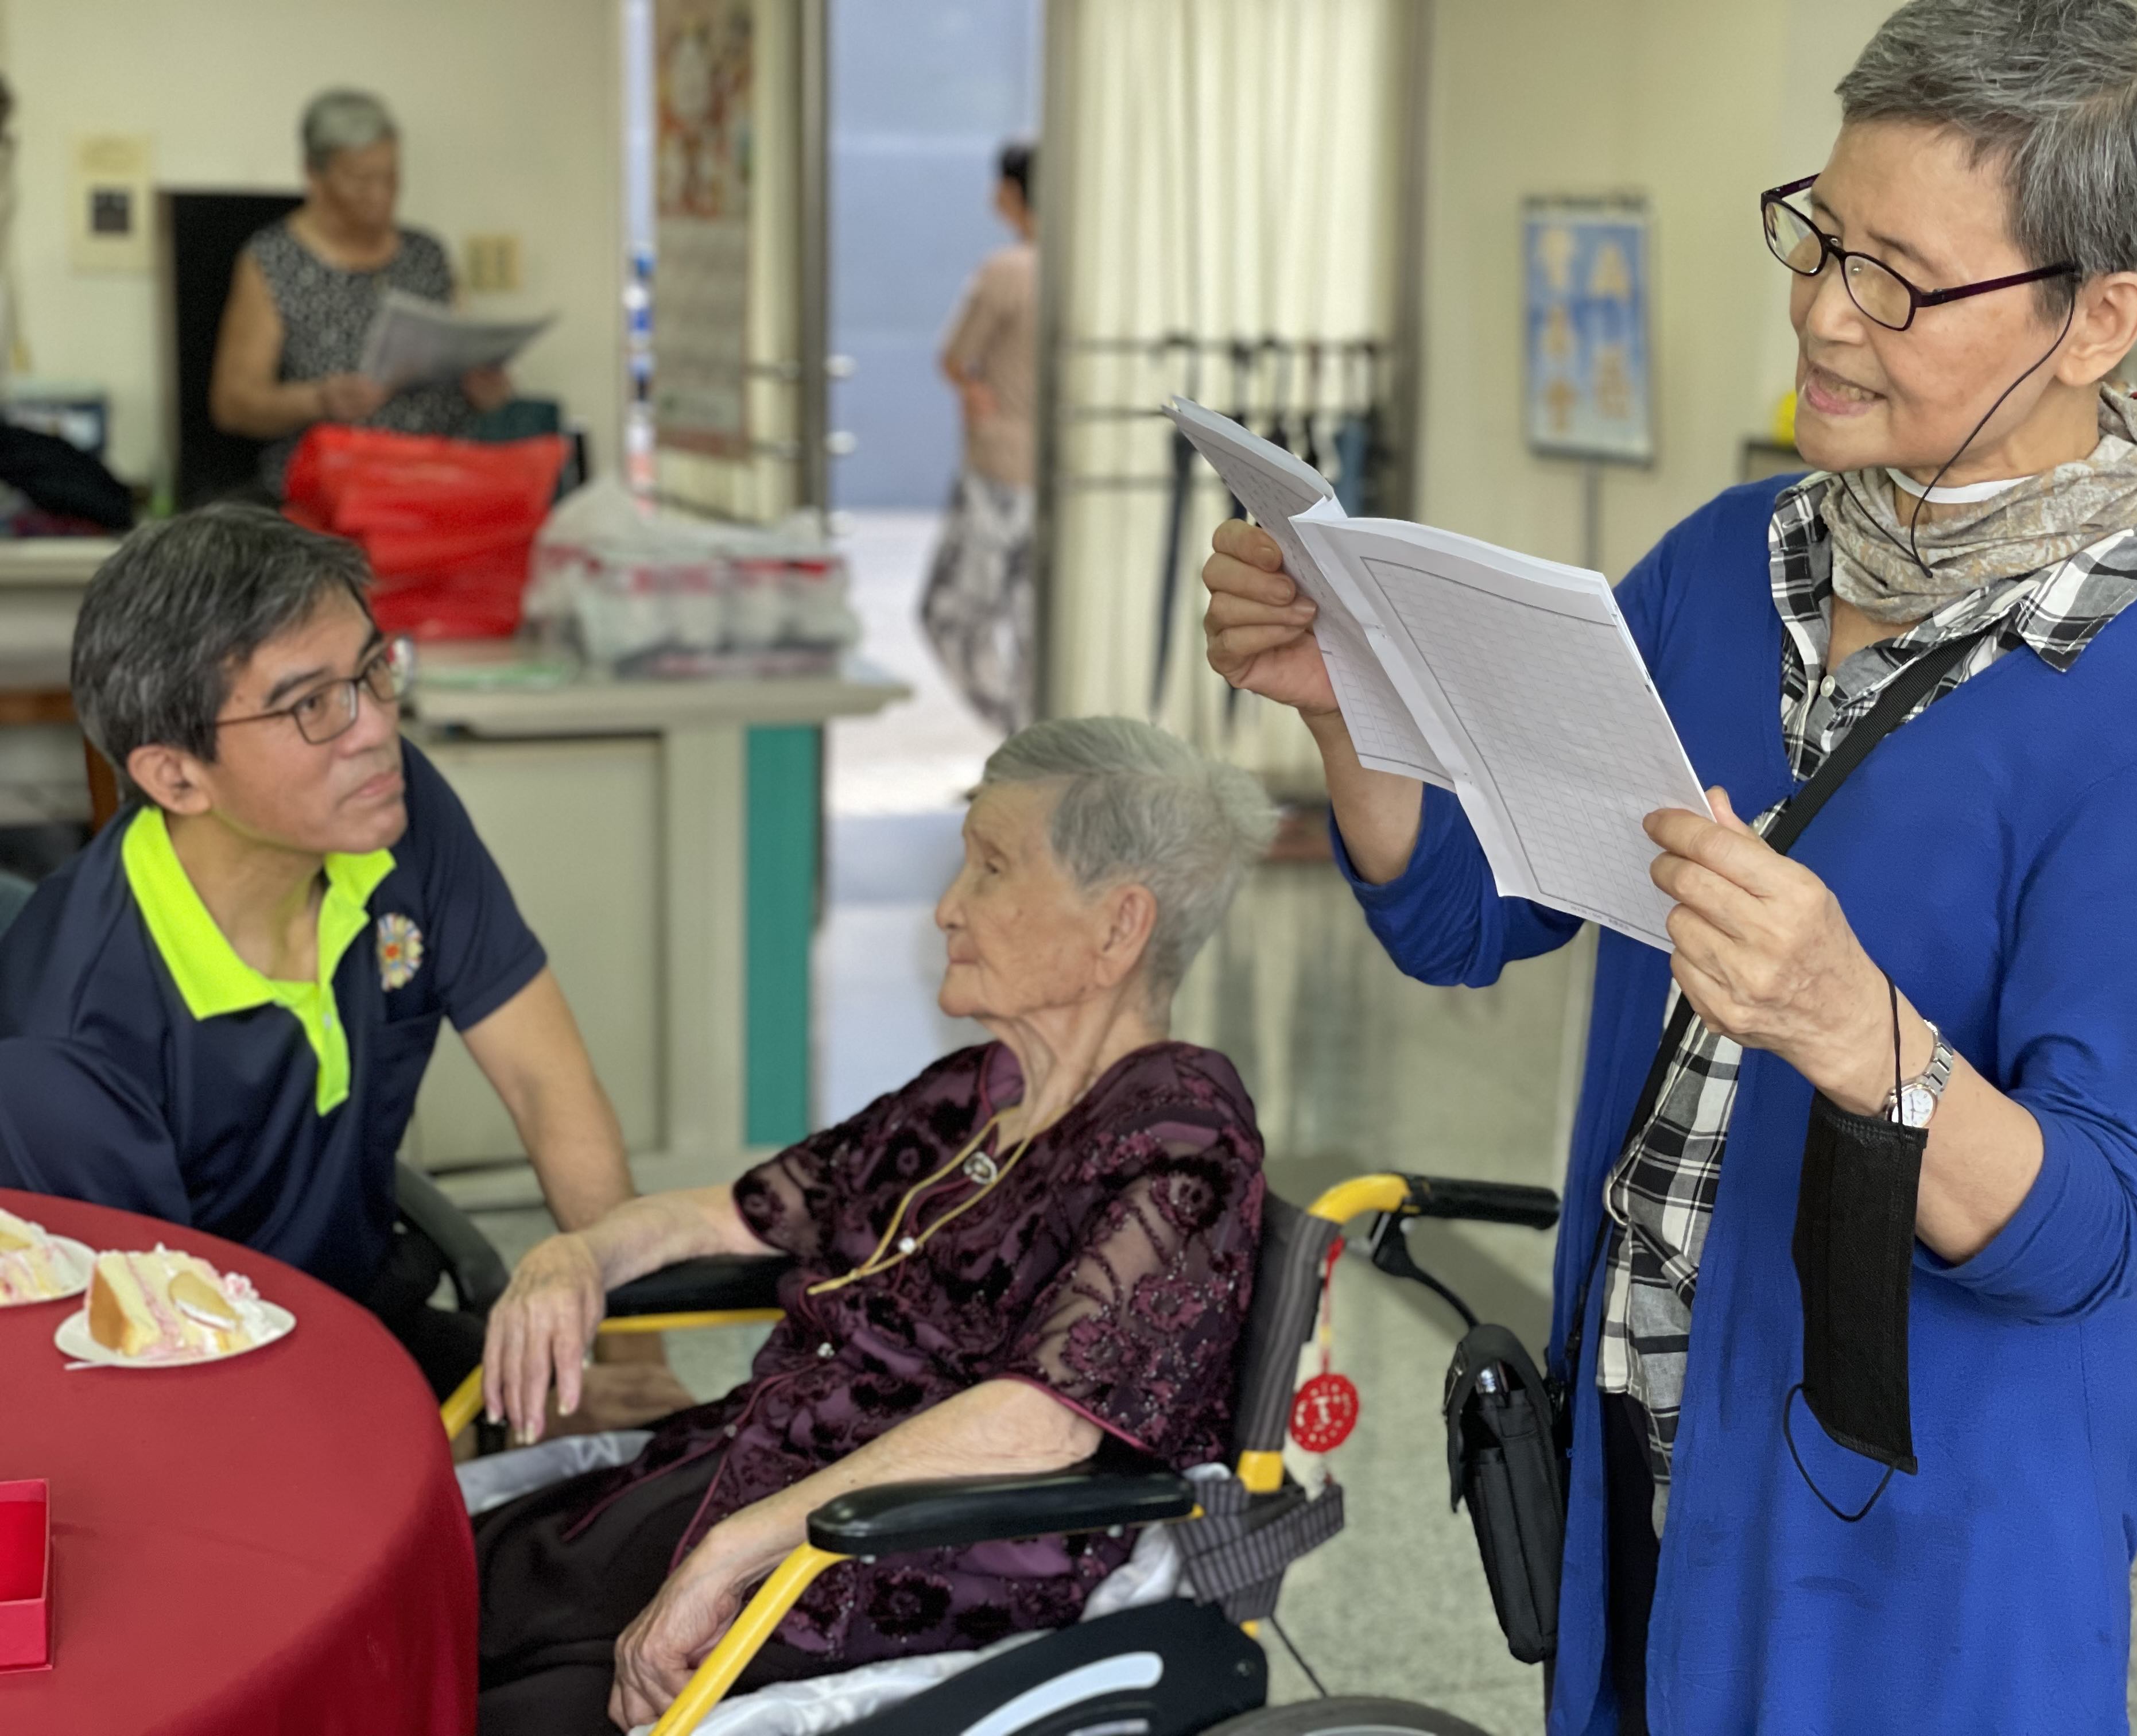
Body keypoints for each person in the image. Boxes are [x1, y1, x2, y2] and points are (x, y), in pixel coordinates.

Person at [1201, 3, 2137, 1731]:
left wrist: (1868, 1039)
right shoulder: (1731, 563)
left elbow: (2096, 1226)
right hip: (1640, 1454)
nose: (1824, 313)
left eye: (1901, 281)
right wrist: (1353, 711)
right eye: (1821, 236)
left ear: (2101, 318)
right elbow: (1468, 910)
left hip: (1915, 1538)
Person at [470, 716, 1274, 1734]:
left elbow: (1043, 1417)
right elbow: (731, 1211)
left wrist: (743, 1544)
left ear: (1119, 926)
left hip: (894, 1563)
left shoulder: (1181, 1131)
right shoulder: (970, 1093)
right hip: (741, 1480)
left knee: (508, 1708)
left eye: (990, 867)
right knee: (435, 1591)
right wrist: (573, 1252)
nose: (946, 907)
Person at [0, 506, 680, 1419]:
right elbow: (150, 1382)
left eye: (372, 669)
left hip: (366, 1319)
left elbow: (543, 1081)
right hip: (212, 1396)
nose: (371, 729)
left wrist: (635, 1354)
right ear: (174, 777)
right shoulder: (71, 1036)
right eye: (310, 703)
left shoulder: (388, 814)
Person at [210, 88, 514, 498]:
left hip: (438, 493)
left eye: (390, 176)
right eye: (360, 179)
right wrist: (319, 400)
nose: (380, 195)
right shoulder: (273, 260)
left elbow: (462, 358)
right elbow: (234, 403)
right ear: (313, 176)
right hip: (334, 502)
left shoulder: (428, 254)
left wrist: (485, 388)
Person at [922, 140, 1040, 735]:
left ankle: (1021, 737)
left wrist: (972, 391)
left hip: (1000, 469)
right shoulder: (1086, 269)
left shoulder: (1008, 270)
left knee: (951, 616)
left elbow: (954, 356)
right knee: (1030, 623)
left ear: (1012, 194)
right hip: (1058, 476)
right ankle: (1036, 748)